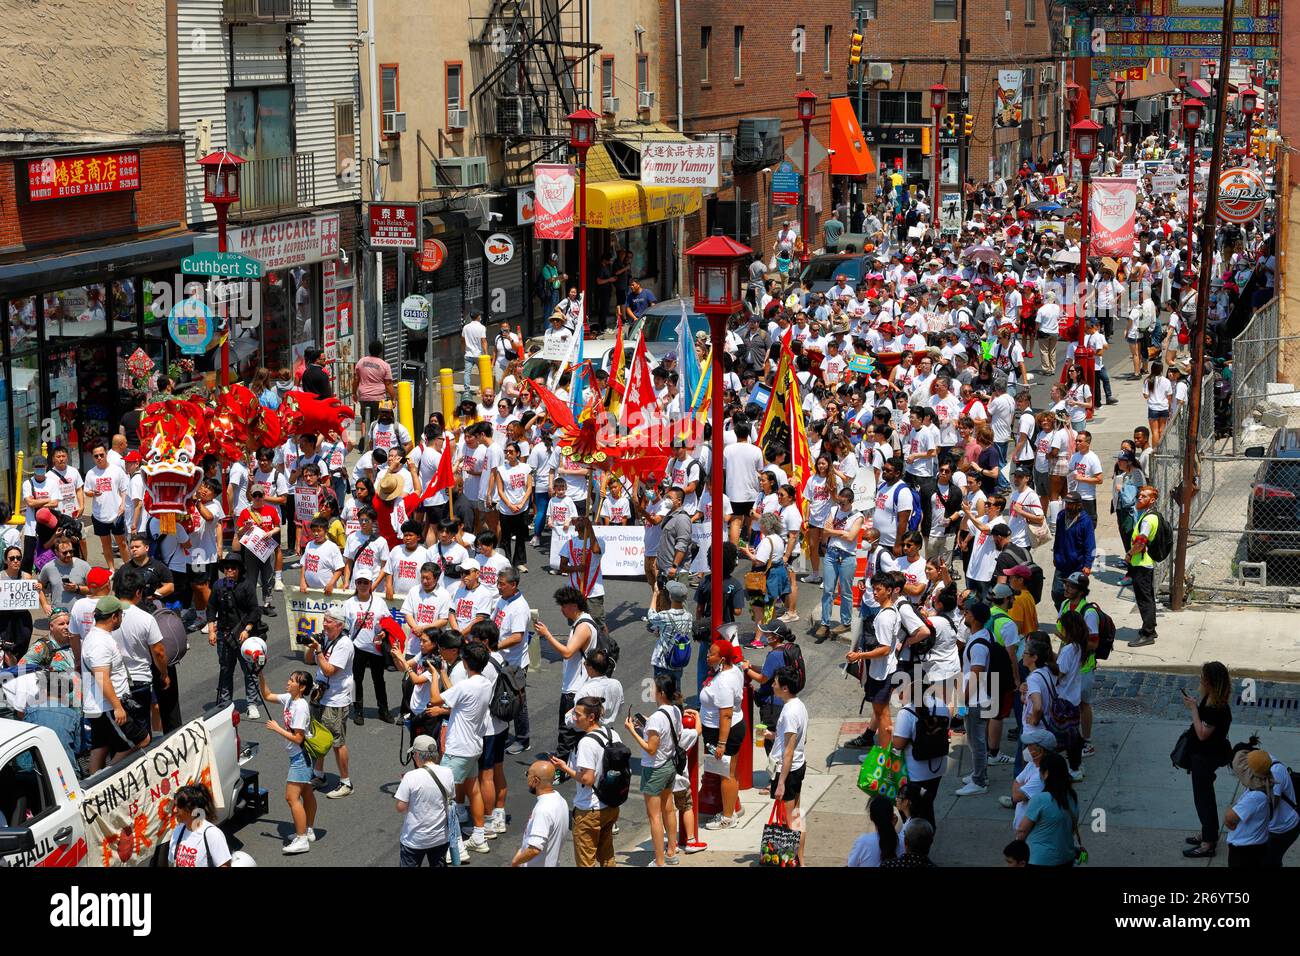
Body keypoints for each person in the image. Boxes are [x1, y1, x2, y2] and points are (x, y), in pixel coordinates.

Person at [549, 696, 622, 867]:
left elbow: (587, 779)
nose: (575, 718)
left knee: (585, 861)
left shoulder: (587, 743)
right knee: (607, 856)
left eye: (578, 715)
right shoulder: (613, 734)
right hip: (610, 805)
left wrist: (564, 767)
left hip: (589, 810)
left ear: (591, 717)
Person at [82, 596, 150, 773]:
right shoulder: (100, 642)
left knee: (101, 747)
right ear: (114, 617)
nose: (122, 618)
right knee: (141, 740)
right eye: (121, 615)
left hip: (100, 705)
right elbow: (102, 676)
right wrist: (117, 707)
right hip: (108, 706)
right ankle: (106, 777)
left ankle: (91, 785)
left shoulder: (96, 636)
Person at [256, 667, 318, 854]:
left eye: (292, 680)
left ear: (302, 687)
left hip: (301, 756)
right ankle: (308, 830)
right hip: (297, 756)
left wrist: (276, 728)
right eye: (290, 679)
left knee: (291, 797)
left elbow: (298, 738)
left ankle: (301, 839)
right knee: (306, 792)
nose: (288, 682)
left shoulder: (300, 707)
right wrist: (260, 674)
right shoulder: (289, 699)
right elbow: (267, 695)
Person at [624, 673, 684, 867]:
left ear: (661, 692)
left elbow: (650, 748)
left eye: (654, 688)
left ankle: (659, 861)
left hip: (655, 769)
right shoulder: (674, 711)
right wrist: (647, 724)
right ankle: (671, 851)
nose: (651, 690)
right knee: (669, 809)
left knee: (655, 817)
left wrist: (633, 731)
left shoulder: (657, 719)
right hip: (669, 766)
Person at [1181, 661, 1233, 859]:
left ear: (1211, 682)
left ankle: (1208, 842)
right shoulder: (1211, 699)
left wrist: (1193, 709)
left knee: (1204, 799)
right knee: (1203, 797)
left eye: (1203, 678)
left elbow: (1202, 733)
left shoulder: (1216, 708)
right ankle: (1207, 832)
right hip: (1202, 756)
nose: (1200, 680)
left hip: (1205, 758)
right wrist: (1197, 705)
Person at [303, 607, 355, 798]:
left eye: (329, 621)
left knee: (336, 742)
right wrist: (311, 647)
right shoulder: (325, 639)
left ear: (340, 625)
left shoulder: (344, 644)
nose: (324, 624)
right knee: (317, 736)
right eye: (324, 620)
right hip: (319, 696)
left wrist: (318, 651)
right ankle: (319, 774)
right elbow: (307, 661)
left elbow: (329, 670)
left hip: (336, 700)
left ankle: (346, 782)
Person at [207, 556, 264, 718]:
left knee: (249, 669)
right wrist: (211, 630)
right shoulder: (218, 586)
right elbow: (211, 607)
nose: (229, 571)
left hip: (244, 635)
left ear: (239, 570)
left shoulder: (247, 586)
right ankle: (225, 704)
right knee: (225, 669)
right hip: (224, 635)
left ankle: (252, 703)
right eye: (226, 568)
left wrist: (247, 629)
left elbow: (254, 610)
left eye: (233, 568)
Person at [700, 639, 747, 830]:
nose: (707, 656)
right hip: (724, 729)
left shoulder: (725, 681)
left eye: (711, 654)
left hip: (724, 732)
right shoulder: (734, 670)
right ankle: (730, 809)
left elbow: (726, 715)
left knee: (726, 774)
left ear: (722, 659)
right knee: (728, 773)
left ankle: (728, 817)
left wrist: (721, 744)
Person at [766, 666, 809, 864]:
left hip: (788, 771)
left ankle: (794, 860)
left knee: (790, 822)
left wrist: (781, 782)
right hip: (797, 767)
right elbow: (797, 738)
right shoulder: (798, 705)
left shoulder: (790, 712)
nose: (772, 685)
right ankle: (800, 859)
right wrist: (773, 736)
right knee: (797, 815)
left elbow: (789, 751)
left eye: (775, 682)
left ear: (784, 688)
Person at [394, 734, 457, 867]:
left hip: (414, 839)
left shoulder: (410, 777)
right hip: (440, 837)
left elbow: (400, 807)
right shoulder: (448, 772)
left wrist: (404, 787)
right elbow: (450, 796)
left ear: (417, 754)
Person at [1014, 751, 1080, 867]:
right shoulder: (1072, 797)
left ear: (1046, 774)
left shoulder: (1040, 799)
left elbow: (1022, 830)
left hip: (1039, 859)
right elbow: (1072, 828)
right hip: (1066, 858)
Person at [510, 758, 570, 866]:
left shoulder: (543, 810)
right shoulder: (561, 801)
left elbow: (535, 848)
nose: (527, 778)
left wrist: (515, 862)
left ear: (535, 781)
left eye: (527, 774)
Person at [1223, 748, 1276, 869]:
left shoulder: (1255, 797)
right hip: (1254, 847)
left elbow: (1229, 819)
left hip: (1245, 852)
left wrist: (1231, 814)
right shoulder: (1264, 786)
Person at [1126, 485, 1161, 647]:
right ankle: (1151, 629)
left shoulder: (1147, 519)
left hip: (1141, 564)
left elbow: (1140, 543)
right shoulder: (1149, 515)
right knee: (1148, 598)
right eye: (1139, 495)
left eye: (1144, 496)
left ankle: (1147, 634)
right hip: (1144, 564)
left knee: (1144, 600)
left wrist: (1129, 554)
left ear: (1152, 500)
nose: (1140, 498)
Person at [166, 784, 232, 868]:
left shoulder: (213, 834)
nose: (174, 810)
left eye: (178, 807)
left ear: (191, 809)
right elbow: (172, 862)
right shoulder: (178, 830)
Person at [1050, 493, 1095, 608]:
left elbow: (1090, 545)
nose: (1068, 506)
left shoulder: (1086, 521)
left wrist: (1088, 565)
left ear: (1078, 505)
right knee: (1057, 593)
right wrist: (1055, 555)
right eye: (1067, 503)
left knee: (1076, 597)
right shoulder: (1061, 516)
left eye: (1071, 504)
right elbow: (1058, 538)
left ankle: (1077, 620)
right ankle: (1064, 617)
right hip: (1061, 564)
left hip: (1077, 567)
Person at [647, 580, 692, 688]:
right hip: (677, 660)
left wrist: (655, 594)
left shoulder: (664, 615)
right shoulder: (689, 616)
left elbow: (651, 615)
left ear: (670, 597)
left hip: (663, 661)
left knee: (662, 693)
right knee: (676, 692)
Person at [354, 340, 396, 447]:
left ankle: (364, 437)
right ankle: (374, 440)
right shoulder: (384, 365)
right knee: (378, 419)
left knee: (364, 418)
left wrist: (354, 393)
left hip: (364, 396)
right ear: (381, 352)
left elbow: (356, 379)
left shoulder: (361, 362)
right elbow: (388, 384)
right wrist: (393, 398)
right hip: (378, 397)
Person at [847, 795, 900, 867]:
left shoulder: (863, 842)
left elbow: (851, 864)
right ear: (892, 816)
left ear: (871, 817)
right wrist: (891, 827)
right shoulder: (903, 840)